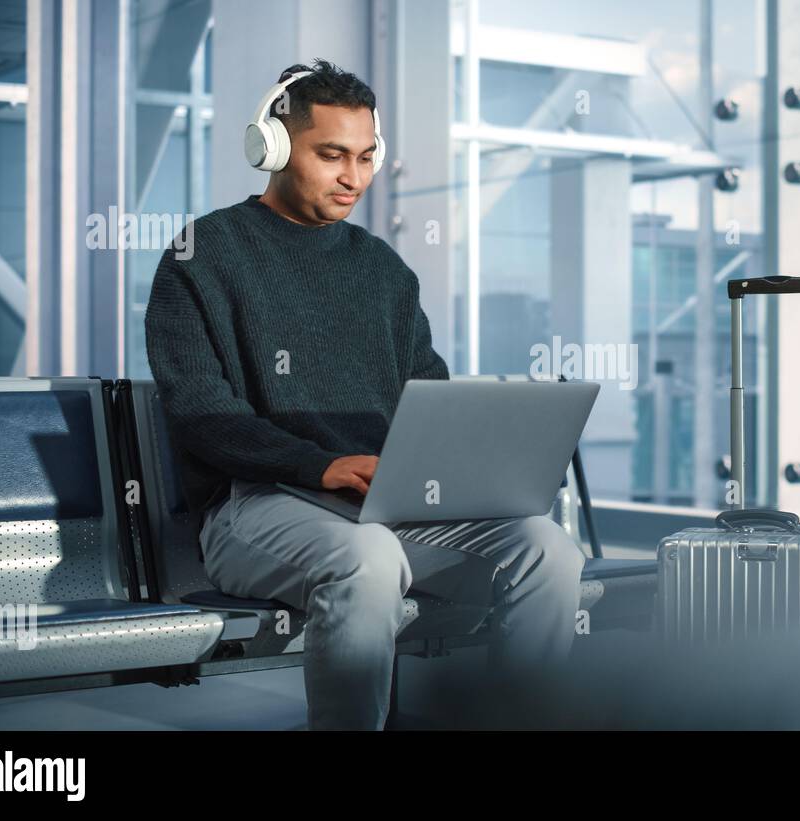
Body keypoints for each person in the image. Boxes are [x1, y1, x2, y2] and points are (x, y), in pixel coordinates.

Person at [144, 59, 585, 730]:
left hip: (387, 503)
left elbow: (428, 394)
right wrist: (317, 465)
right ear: (277, 146)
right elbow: (203, 414)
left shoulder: (383, 270)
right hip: (255, 504)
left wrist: (473, 468)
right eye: (332, 155)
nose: (354, 177)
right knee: (368, 559)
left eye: (368, 156)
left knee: (545, 549)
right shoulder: (203, 254)